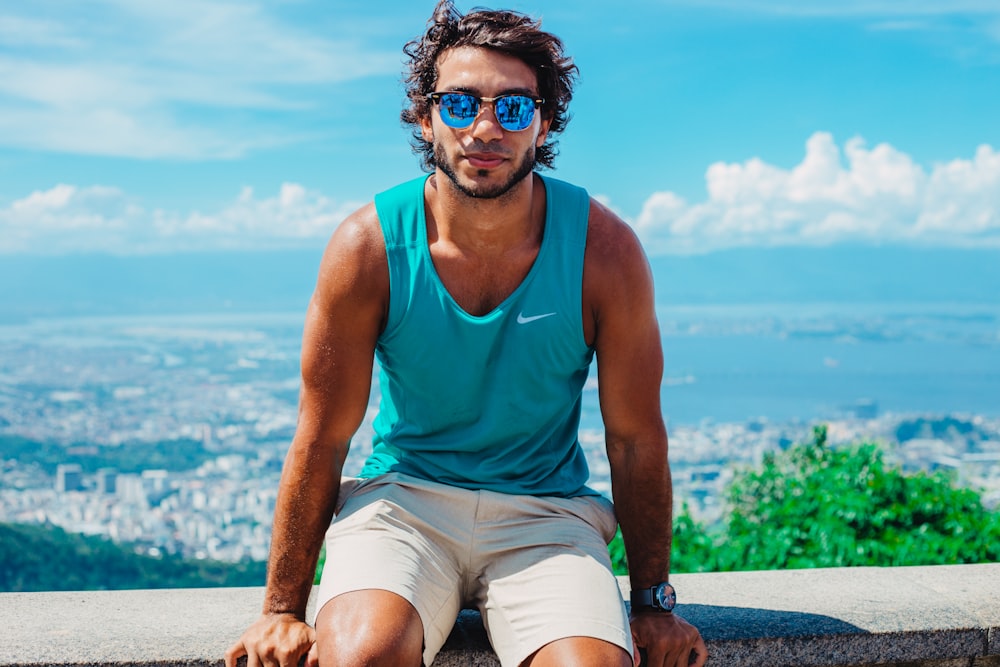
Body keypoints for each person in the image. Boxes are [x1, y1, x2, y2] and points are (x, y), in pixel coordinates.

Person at [226, 1, 707, 666]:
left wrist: (653, 603)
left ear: (543, 123)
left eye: (513, 107)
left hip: (547, 516)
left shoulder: (604, 250)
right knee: (361, 654)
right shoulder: (369, 247)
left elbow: (634, 436)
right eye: (460, 104)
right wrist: (281, 608)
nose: (485, 127)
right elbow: (323, 430)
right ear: (427, 116)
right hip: (404, 503)